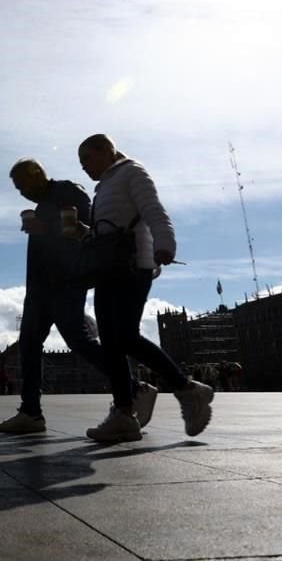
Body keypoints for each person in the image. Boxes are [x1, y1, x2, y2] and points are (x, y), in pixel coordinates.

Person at [0, 158, 158, 434]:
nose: (22, 192)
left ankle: (135, 389)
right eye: (18, 189)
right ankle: (31, 412)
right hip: (38, 286)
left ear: (37, 174)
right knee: (28, 343)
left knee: (79, 340)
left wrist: (46, 229)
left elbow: (87, 230)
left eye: (22, 185)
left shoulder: (69, 191)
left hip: (66, 281)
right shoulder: (42, 205)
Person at [77, 134, 214, 442]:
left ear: (105, 151)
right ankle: (124, 414)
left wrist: (165, 245)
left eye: (86, 159)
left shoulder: (132, 172)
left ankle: (188, 389)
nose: (84, 167)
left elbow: (153, 210)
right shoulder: (103, 188)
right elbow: (109, 232)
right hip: (107, 270)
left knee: (124, 336)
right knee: (111, 344)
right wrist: (83, 232)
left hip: (132, 267)